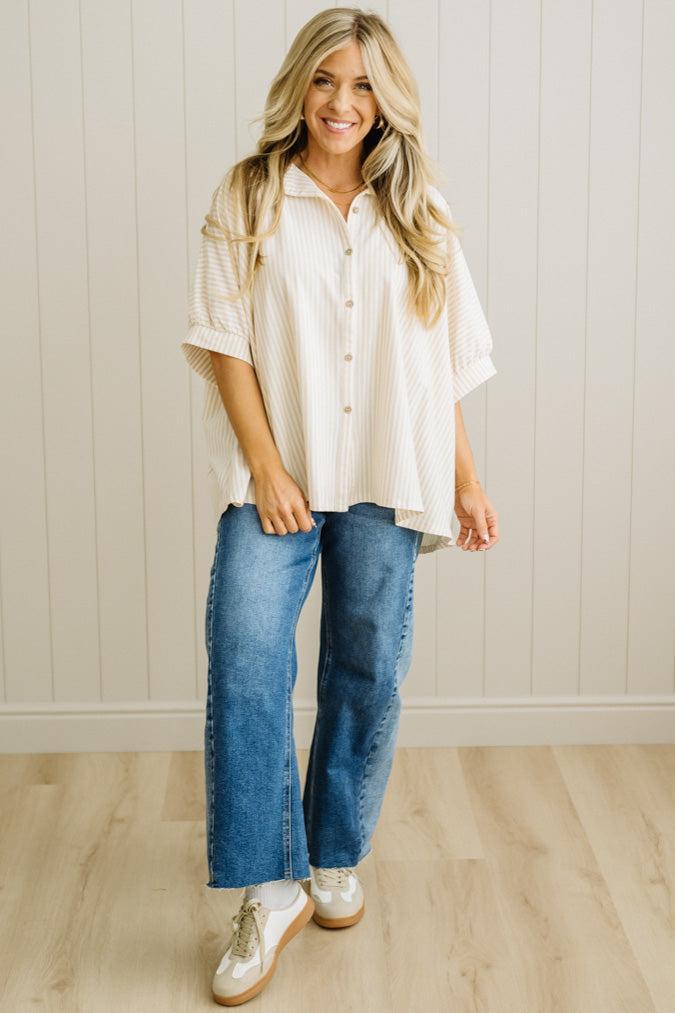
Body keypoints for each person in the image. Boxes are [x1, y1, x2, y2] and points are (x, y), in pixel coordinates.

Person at [180, 8, 499, 1006]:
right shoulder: (248, 195)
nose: (342, 103)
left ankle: (333, 855)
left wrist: (467, 477)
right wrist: (269, 466)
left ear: (385, 99)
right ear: (299, 89)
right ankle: (268, 886)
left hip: (387, 476)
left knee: (367, 670)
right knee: (246, 659)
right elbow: (224, 341)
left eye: (362, 86)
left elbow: (441, 365)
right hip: (277, 477)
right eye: (325, 82)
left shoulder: (422, 211)